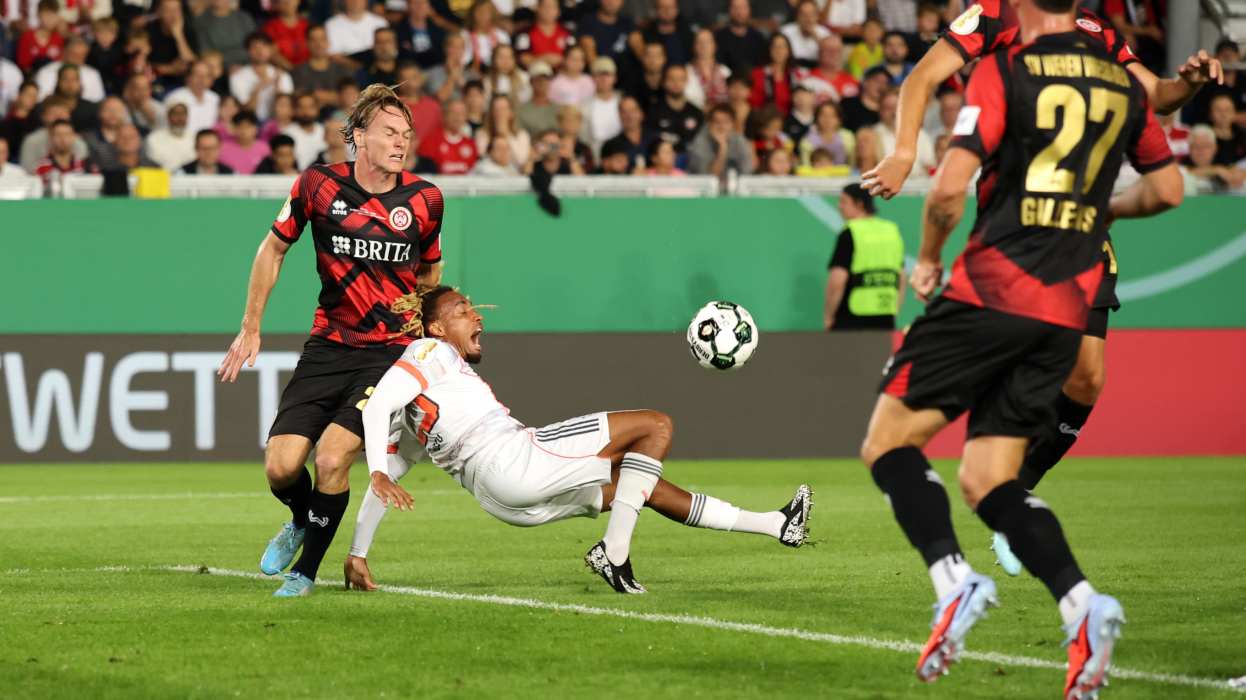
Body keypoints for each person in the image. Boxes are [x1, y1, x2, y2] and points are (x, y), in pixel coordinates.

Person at [859, 1, 1182, 696]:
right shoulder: (1121, 82)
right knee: (989, 479)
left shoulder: (1005, 68)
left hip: (994, 288)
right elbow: (1169, 189)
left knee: (888, 442)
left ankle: (953, 581)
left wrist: (928, 258)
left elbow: (949, 190)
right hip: (1067, 310)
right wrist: (1102, 210)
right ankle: (1082, 606)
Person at [345, 286, 814, 593]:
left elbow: (392, 469)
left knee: (639, 486)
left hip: (499, 499)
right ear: (435, 327)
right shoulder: (428, 351)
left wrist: (358, 552)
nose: (475, 315)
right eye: (461, 310)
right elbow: (379, 404)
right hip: (514, 458)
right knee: (656, 426)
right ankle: (614, 553)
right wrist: (379, 471)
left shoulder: (428, 401)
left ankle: (776, 525)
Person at [217, 84, 446, 599]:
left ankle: (305, 573)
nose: (401, 142)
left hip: (388, 354)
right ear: (359, 136)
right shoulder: (318, 185)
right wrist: (251, 326)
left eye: (406, 134)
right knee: (281, 467)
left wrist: (423, 334)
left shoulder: (426, 199)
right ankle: (301, 519)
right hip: (328, 345)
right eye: (390, 132)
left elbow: (430, 272)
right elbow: (272, 250)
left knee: (332, 458)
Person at [824, 184, 903, 331]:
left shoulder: (850, 232)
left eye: (843, 201)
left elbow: (838, 279)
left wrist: (829, 316)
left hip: (851, 316)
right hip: (885, 315)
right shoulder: (892, 231)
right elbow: (901, 277)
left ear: (859, 204)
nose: (839, 206)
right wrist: (894, 309)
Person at [230, 33, 294, 122]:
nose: (260, 51)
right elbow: (247, 110)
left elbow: (287, 110)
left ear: (271, 49)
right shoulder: (238, 77)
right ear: (248, 51)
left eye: (264, 46)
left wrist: (277, 87)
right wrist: (257, 89)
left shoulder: (283, 75)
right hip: (251, 124)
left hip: (277, 123)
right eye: (255, 47)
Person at [647, 63, 703, 155]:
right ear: (664, 81)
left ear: (687, 81)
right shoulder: (653, 111)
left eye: (681, 79)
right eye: (671, 79)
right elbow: (649, 143)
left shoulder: (696, 113)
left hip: (691, 161)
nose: (676, 83)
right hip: (662, 161)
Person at [292, 26, 355, 108]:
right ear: (307, 43)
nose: (318, 44)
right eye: (313, 40)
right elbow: (300, 100)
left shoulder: (343, 69)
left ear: (328, 42)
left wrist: (316, 95)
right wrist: (335, 97)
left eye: (322, 39)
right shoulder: (299, 71)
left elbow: (351, 98)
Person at [687, 103, 754, 177]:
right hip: (700, 183)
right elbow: (708, 177)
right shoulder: (700, 142)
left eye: (726, 122)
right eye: (717, 122)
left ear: (733, 124)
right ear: (709, 124)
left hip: (733, 182)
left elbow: (747, 171)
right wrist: (722, 147)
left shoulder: (739, 140)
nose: (721, 126)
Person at [416, 98, 478, 174]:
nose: (458, 117)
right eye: (453, 113)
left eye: (461, 113)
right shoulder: (430, 142)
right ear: (444, 115)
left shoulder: (470, 144)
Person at [164, 60, 222, 136]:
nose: (202, 79)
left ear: (212, 79)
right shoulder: (175, 98)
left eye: (207, 76)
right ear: (188, 77)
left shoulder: (215, 98)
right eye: (197, 75)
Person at [193, 0, 256, 68]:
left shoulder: (244, 18)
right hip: (218, 66)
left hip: (249, 63)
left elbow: (254, 44)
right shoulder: (202, 21)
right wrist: (228, 65)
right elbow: (205, 51)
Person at [580, 56, 621, 157]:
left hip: (620, 154)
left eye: (607, 75)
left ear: (615, 78)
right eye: (599, 75)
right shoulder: (583, 105)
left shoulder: (623, 101)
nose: (603, 79)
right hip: (595, 154)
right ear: (592, 78)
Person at [515, 0, 573, 69]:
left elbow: (574, 56)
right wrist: (544, 60)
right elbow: (522, 58)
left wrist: (560, 60)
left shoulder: (567, 33)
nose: (548, 10)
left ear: (558, 11)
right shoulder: (525, 33)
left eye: (552, 7)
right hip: (534, 73)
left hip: (563, 73)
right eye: (545, 6)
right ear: (537, 8)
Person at [714, 0, 766, 77]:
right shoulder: (719, 38)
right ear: (729, 10)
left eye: (743, 7)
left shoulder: (758, 38)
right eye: (735, 7)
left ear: (749, 10)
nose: (739, 12)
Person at [750, 33, 798, 115]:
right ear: (769, 50)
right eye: (775, 46)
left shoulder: (796, 75)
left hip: (789, 119)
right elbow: (753, 103)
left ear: (789, 51)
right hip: (763, 118)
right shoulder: (757, 74)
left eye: (782, 47)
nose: (779, 50)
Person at [477, 94, 531, 164]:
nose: (499, 113)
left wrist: (506, 135)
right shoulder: (482, 134)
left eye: (503, 109)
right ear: (491, 113)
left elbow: (521, 161)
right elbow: (481, 158)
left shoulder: (522, 135)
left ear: (511, 112)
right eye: (496, 109)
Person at [601, 95, 651, 170]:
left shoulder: (656, 140)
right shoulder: (610, 145)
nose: (629, 116)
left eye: (633, 110)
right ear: (619, 115)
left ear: (641, 113)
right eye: (624, 112)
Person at [577, 0, 634, 65]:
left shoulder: (627, 22)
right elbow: (590, 56)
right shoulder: (588, 22)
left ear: (622, 1)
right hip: (599, 69)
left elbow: (639, 47)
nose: (611, 2)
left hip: (625, 69)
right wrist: (601, 69)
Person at [394, 0, 446, 70]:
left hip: (435, 68)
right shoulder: (398, 30)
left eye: (423, 3)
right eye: (416, 3)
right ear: (408, 6)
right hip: (409, 70)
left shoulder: (438, 30)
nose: (420, 6)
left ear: (429, 7)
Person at [146, 102, 197, 171]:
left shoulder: (195, 137)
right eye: (176, 113)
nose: (180, 118)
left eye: (183, 114)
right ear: (168, 116)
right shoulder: (154, 138)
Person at [641, 0, 693, 67]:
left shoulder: (687, 29)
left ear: (677, 9)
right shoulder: (647, 33)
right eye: (663, 7)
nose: (667, 11)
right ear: (656, 10)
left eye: (671, 7)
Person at [461, 0, 509, 71]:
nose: (482, 15)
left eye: (486, 12)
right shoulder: (464, 36)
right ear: (472, 14)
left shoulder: (502, 36)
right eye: (479, 12)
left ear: (492, 14)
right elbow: (461, 60)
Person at [780, 0, 829, 68]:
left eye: (812, 14)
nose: (808, 19)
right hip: (791, 69)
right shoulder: (785, 32)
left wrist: (816, 37)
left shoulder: (825, 34)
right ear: (797, 17)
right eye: (803, 14)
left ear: (817, 16)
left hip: (816, 70)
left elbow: (830, 60)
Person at [263, 0, 310, 70]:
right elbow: (272, 53)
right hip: (282, 70)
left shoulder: (307, 25)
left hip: (307, 70)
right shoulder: (270, 27)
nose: (287, 2)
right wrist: (292, 70)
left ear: (299, 1)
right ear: (276, 4)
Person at [284, 92, 327, 170]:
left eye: (310, 107)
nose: (306, 111)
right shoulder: (287, 134)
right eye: (301, 107)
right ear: (295, 110)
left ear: (317, 109)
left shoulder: (325, 131)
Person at [518, 61, 559, 135]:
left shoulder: (558, 109)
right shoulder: (522, 110)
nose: (542, 82)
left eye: (546, 79)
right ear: (531, 82)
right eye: (538, 79)